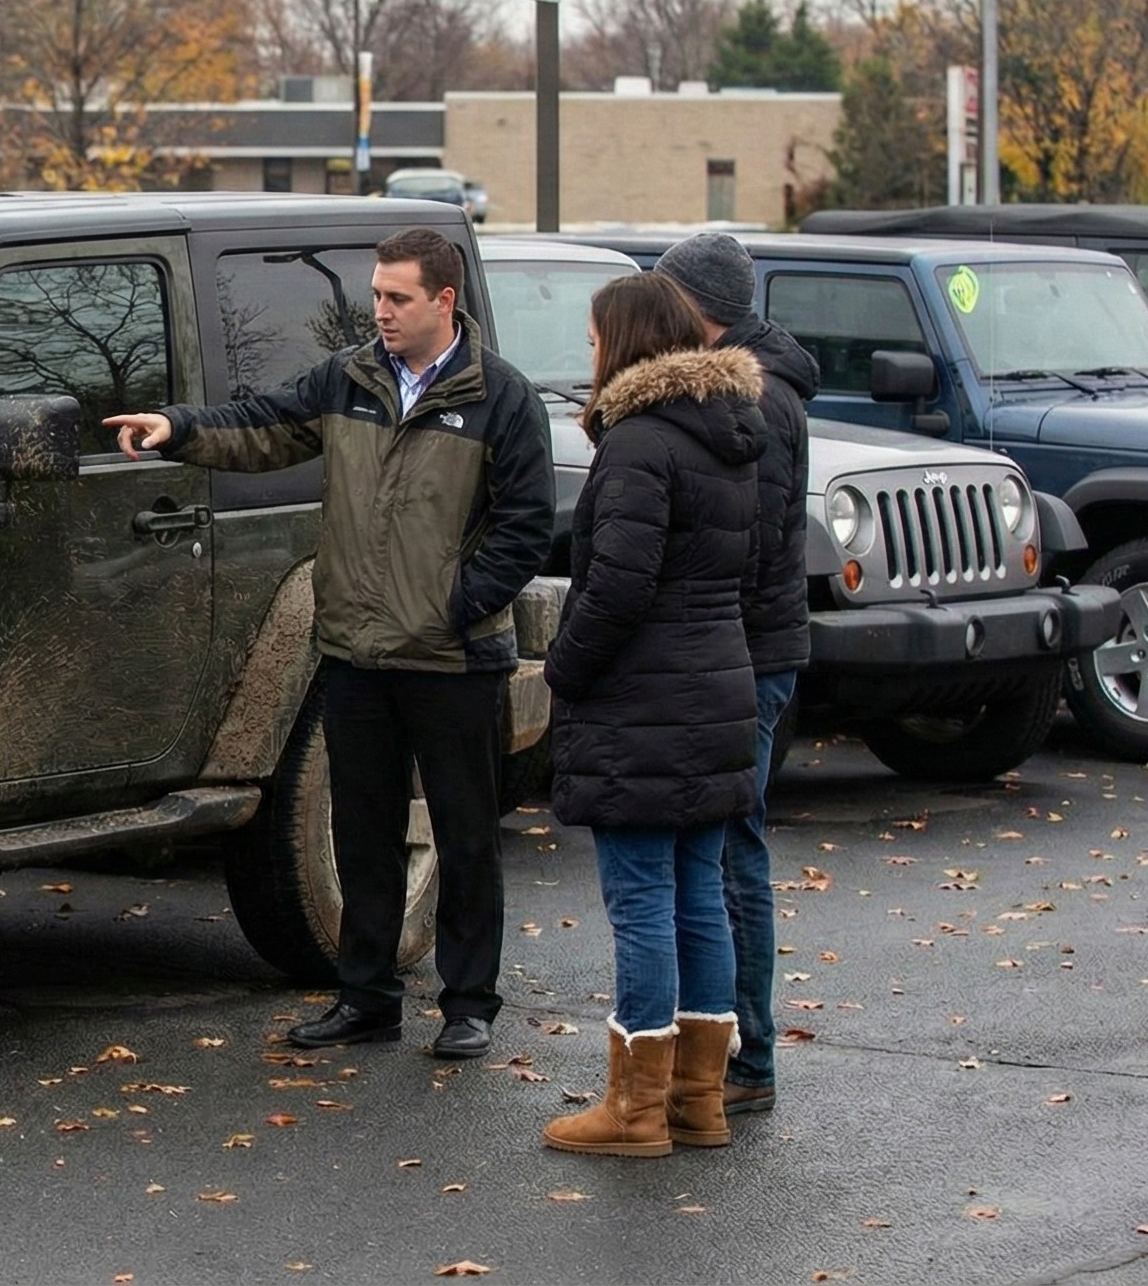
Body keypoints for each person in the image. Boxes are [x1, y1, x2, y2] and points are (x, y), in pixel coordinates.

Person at [103, 227, 553, 1057]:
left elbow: (526, 529)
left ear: (444, 301)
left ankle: (468, 1005)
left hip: (453, 659)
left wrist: (456, 604)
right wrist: (177, 426)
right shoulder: (349, 380)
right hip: (355, 654)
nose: (378, 310)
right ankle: (367, 997)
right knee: (361, 831)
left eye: (396, 298)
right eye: (376, 295)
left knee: (461, 836)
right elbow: (263, 425)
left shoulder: (502, 398)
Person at [537, 270, 764, 1159]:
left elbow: (617, 589)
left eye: (595, 339)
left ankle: (633, 1111)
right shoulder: (729, 436)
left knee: (640, 902)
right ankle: (698, 1101)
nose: (588, 356)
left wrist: (563, 669)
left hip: (644, 700)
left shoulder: (638, 446)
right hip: (716, 688)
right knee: (700, 895)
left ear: (625, 342)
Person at [652, 231, 818, 1120]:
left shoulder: (763, 399)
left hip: (748, 655)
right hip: (749, 649)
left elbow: (750, 544)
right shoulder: (751, 382)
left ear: (698, 304)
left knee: (727, 852)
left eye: (664, 295)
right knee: (723, 847)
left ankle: (744, 1056)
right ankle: (718, 1051)